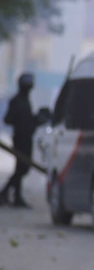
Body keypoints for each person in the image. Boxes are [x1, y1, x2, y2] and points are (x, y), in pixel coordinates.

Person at [1, 73, 40, 207]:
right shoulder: (17, 101)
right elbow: (8, 119)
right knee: (22, 168)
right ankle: (6, 193)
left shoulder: (25, 101)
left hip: (27, 138)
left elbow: (28, 121)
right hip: (20, 139)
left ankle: (14, 196)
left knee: (23, 168)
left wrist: (36, 120)